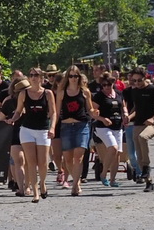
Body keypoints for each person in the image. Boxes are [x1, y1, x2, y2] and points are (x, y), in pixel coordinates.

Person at [13, 70, 56, 201]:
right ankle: (35, 192)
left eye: (36, 75)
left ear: (41, 78)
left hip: (43, 130)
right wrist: (13, 119)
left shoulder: (48, 93)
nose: (33, 78)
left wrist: (52, 127)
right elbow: (18, 111)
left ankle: (42, 183)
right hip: (27, 129)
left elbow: (53, 113)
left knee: (42, 162)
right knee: (31, 162)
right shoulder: (23, 93)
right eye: (31, 75)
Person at [54, 66, 95, 196]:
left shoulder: (85, 91)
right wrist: (52, 127)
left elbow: (90, 109)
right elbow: (56, 112)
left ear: (79, 77)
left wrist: (95, 113)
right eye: (71, 76)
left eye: (75, 76)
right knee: (68, 159)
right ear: (67, 78)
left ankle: (75, 185)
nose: (73, 79)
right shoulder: (61, 92)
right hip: (66, 126)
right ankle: (76, 181)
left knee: (78, 157)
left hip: (81, 125)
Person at [122, 68, 154, 190]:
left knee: (142, 137)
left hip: (152, 124)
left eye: (139, 80)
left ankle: (146, 167)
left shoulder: (153, 90)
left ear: (145, 78)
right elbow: (136, 108)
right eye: (134, 80)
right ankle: (148, 182)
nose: (137, 83)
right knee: (139, 154)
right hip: (138, 123)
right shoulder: (134, 91)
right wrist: (129, 117)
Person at [89, 70, 127, 187]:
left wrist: (125, 114)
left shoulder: (119, 93)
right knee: (113, 148)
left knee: (117, 153)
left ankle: (112, 180)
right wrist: (102, 118)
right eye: (104, 85)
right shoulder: (99, 96)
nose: (106, 87)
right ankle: (103, 173)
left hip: (118, 125)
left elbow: (123, 106)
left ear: (113, 83)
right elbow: (92, 113)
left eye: (108, 84)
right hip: (103, 127)